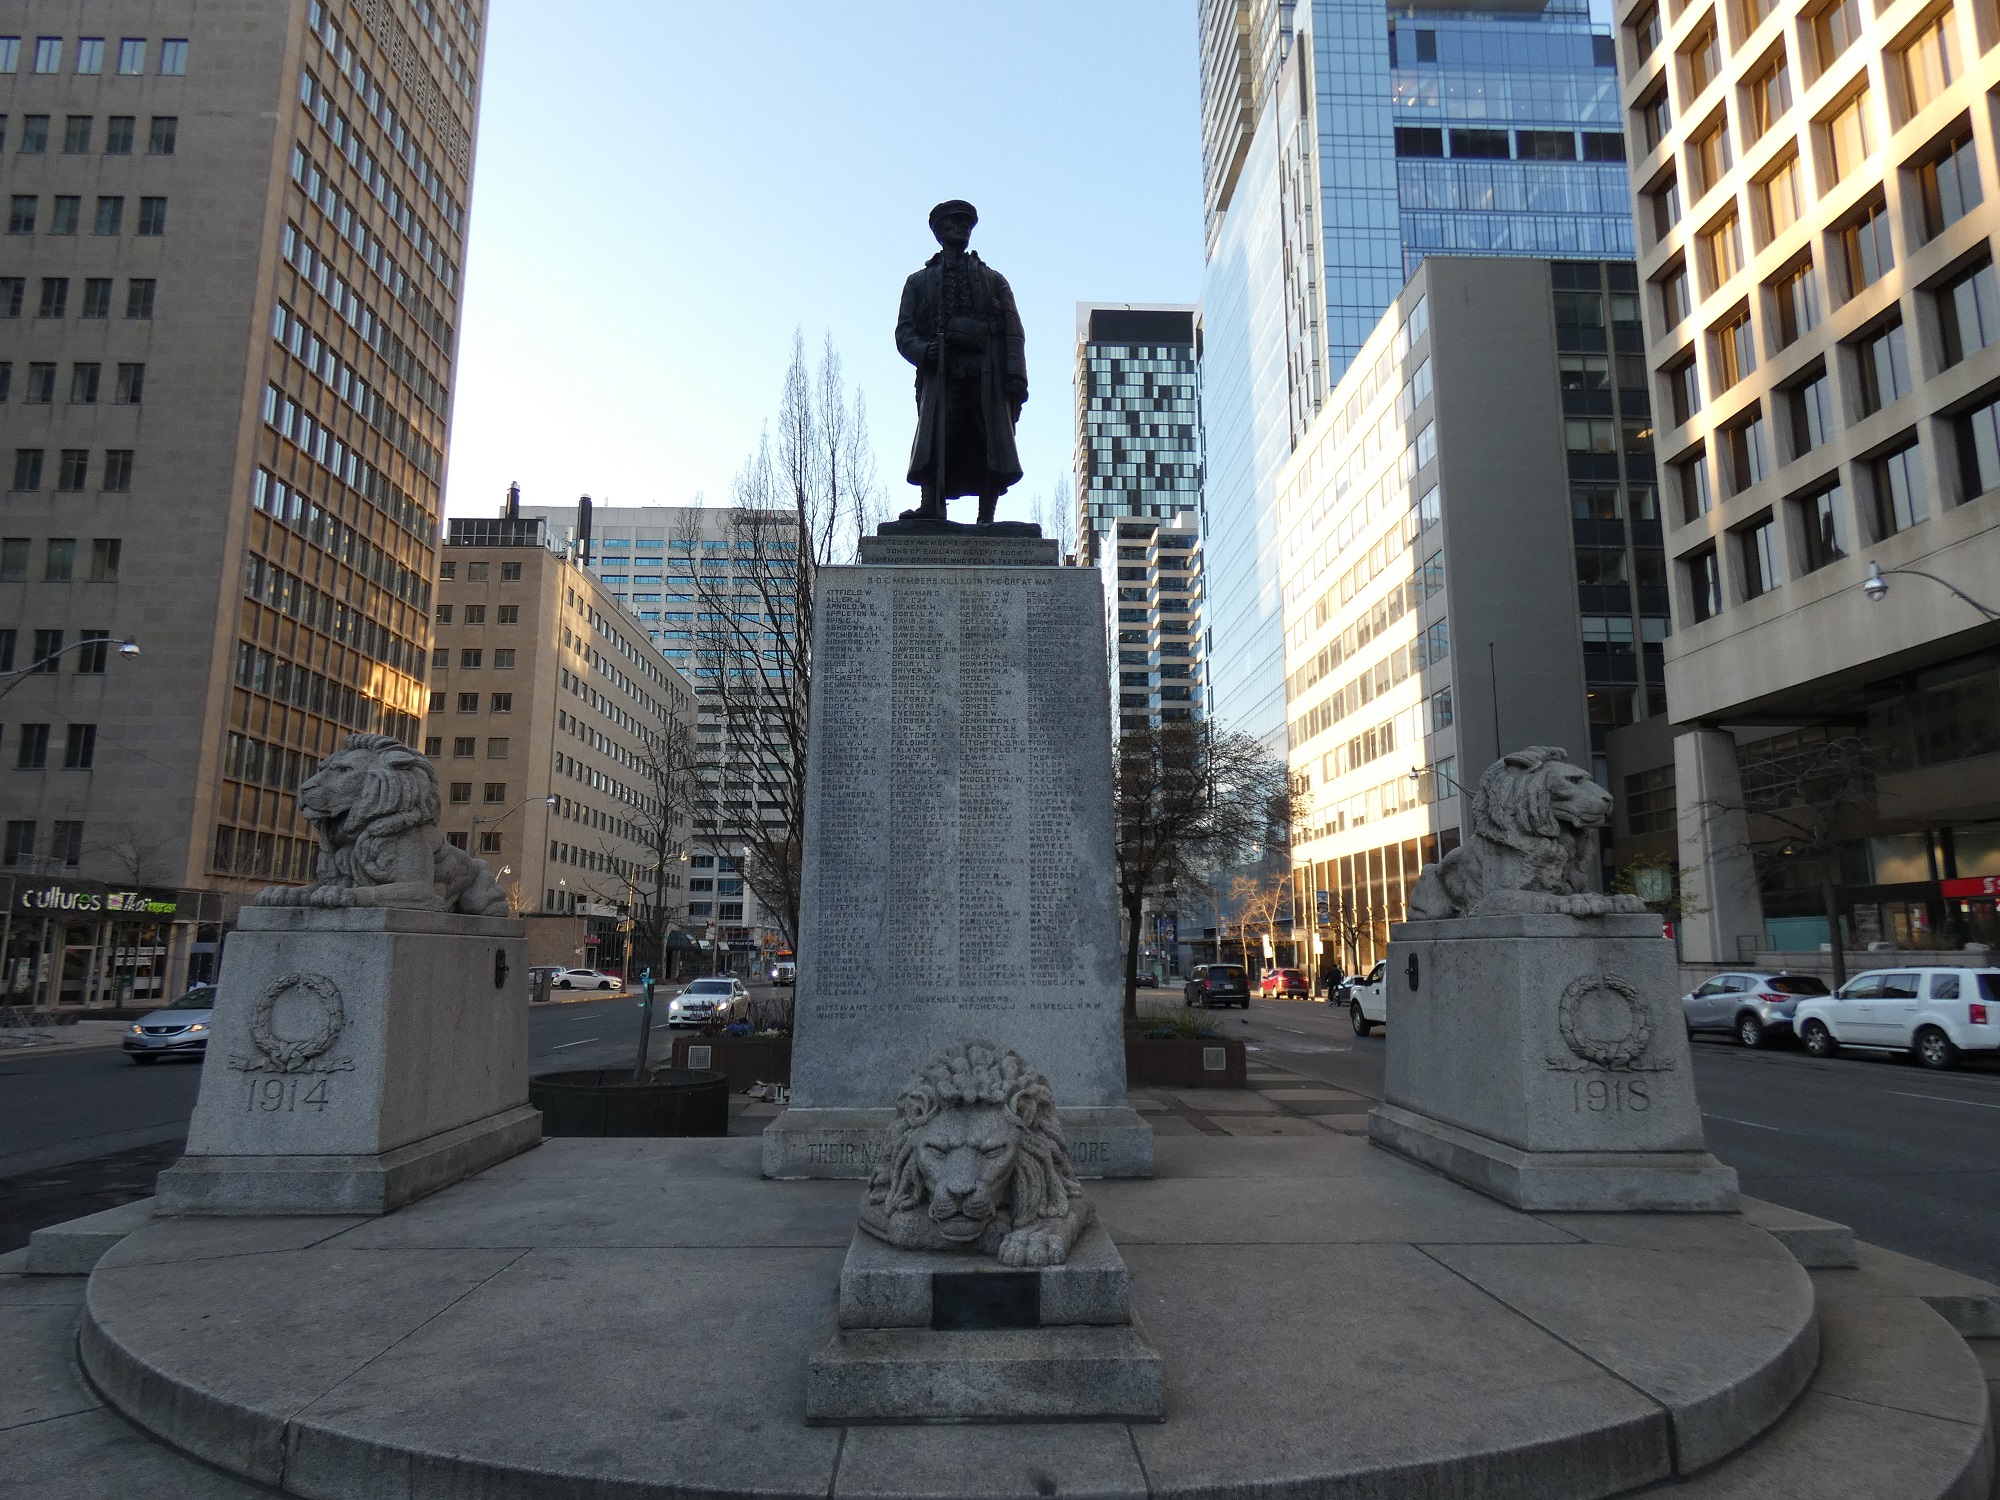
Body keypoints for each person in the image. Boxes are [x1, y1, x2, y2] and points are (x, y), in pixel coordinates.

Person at [894, 200, 1029, 524]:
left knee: (992, 442)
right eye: (953, 224)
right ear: (939, 231)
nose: (961, 229)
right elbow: (904, 331)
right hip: (942, 374)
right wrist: (924, 351)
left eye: (966, 224)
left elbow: (1014, 329)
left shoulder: (993, 279)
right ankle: (931, 506)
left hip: (987, 374)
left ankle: (987, 517)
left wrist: (1016, 377)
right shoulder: (919, 281)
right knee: (937, 439)